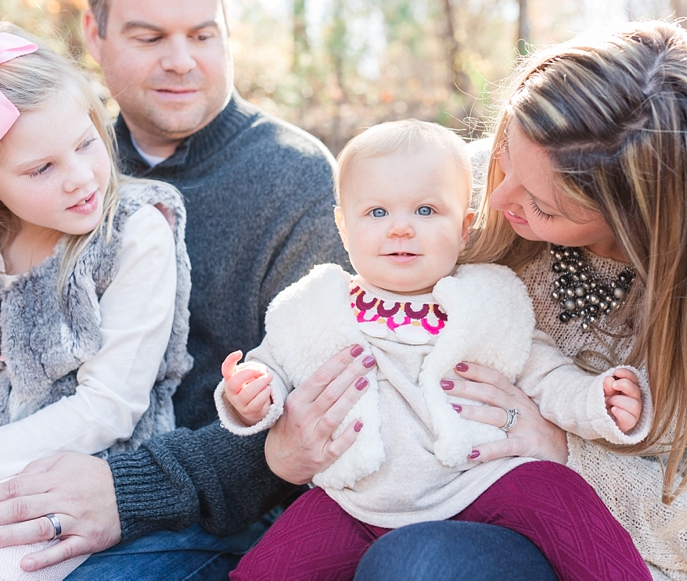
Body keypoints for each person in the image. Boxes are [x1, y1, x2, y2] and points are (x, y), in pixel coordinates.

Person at [352, 22, 687, 580]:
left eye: (544, 207)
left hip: (624, 560)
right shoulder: (467, 182)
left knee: (425, 568)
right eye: (505, 154)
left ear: (643, 219)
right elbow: (350, 318)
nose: (498, 196)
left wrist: (568, 455)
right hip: (445, 504)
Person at [0, 0, 357, 579]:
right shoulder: (60, 162)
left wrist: (127, 491)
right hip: (26, 470)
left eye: (203, 35)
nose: (181, 61)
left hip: (208, 515)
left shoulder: (297, 179)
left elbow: (322, 407)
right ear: (95, 34)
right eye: (149, 37)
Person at [219, 119, 652, 581]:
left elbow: (545, 375)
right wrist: (250, 395)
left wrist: (595, 401)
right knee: (270, 567)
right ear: (343, 227)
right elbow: (273, 365)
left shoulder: (488, 300)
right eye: (377, 212)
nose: (401, 229)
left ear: (464, 228)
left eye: (426, 211)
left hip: (479, 479)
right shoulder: (314, 304)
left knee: (560, 492)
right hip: (358, 495)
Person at [0, 3, 191, 580]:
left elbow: (108, 409)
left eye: (85, 144)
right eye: (41, 168)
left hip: (72, 473)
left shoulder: (134, 232)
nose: (79, 176)